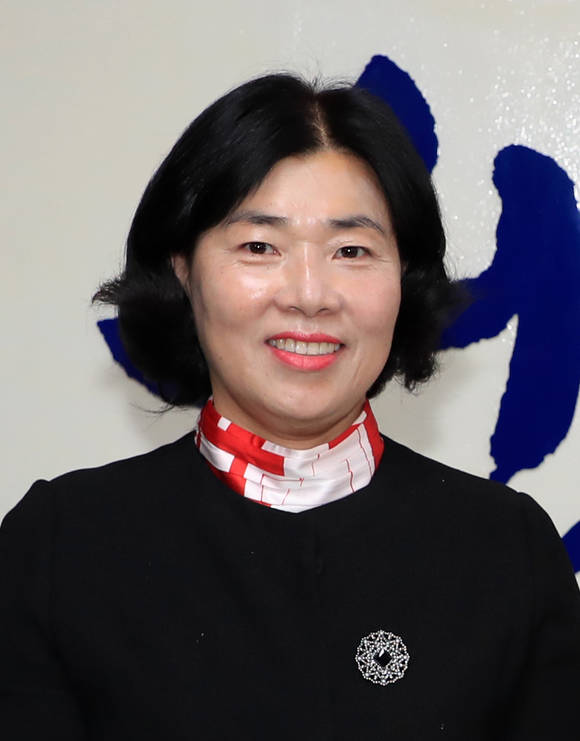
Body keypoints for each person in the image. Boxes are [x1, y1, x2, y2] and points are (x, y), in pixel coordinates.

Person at [1, 74, 579, 740]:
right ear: (184, 269)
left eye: (352, 251)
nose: (309, 294)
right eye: (259, 247)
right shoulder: (61, 548)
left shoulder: (507, 550)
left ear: (404, 278)